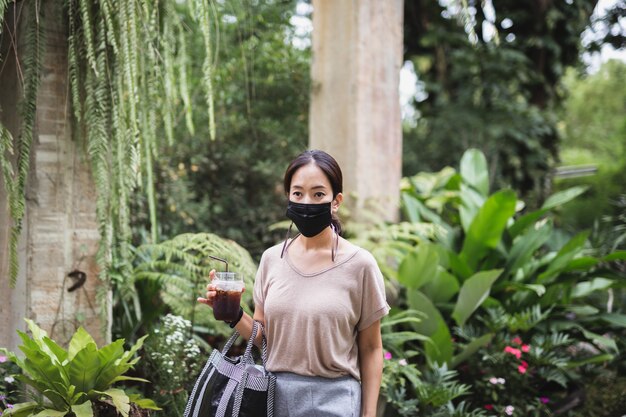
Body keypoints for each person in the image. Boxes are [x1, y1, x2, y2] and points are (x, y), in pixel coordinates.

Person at [198, 149, 390, 417]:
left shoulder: (360, 265)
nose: (307, 202)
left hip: (335, 401)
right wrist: (234, 314)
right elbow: (264, 337)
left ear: (336, 201)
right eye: (298, 193)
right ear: (288, 197)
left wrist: (369, 415)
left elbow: (371, 348)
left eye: (318, 194)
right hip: (273, 399)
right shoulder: (272, 259)